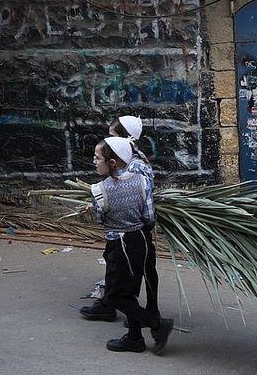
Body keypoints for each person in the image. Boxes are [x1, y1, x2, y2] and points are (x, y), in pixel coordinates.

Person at [89, 136, 172, 354]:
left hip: (120, 246)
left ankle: (157, 325)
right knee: (131, 291)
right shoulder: (142, 181)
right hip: (141, 242)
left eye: (97, 158)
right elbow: (149, 217)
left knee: (115, 296)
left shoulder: (98, 190)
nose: (94, 162)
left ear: (112, 162)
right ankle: (135, 339)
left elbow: (100, 219)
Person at [80, 116, 160, 328]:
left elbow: (142, 202)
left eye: (112, 136)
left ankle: (149, 315)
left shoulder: (137, 166)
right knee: (122, 269)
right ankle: (119, 310)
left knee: (138, 272)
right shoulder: (127, 161)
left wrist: (102, 203)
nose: (108, 140)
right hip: (128, 230)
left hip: (133, 231)